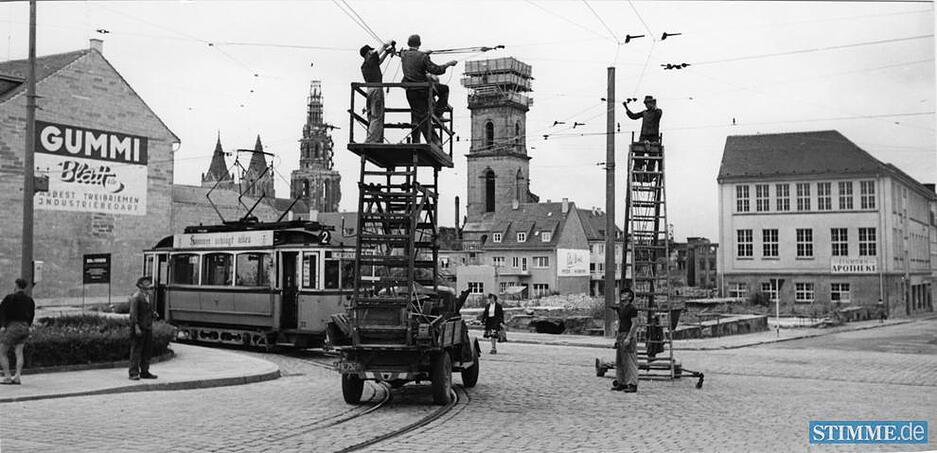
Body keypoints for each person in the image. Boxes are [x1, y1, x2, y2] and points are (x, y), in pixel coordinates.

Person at [399, 34, 457, 145]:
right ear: (419, 44)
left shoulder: (404, 55)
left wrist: (424, 54)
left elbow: (408, 55)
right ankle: (437, 116)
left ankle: (417, 140)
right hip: (422, 91)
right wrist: (448, 64)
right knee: (444, 90)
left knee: (417, 114)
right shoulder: (422, 57)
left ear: (408, 43)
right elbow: (436, 69)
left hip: (410, 91)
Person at [0, 278, 35, 385]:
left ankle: (7, 376)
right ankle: (18, 376)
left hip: (13, 326)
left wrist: (2, 325)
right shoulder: (30, 300)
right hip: (25, 327)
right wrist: (28, 325)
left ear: (16, 286)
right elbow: (32, 315)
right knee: (19, 352)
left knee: (2, 352)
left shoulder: (10, 298)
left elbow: (2, 312)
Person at [360, 40, 396, 143]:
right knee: (377, 115)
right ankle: (371, 140)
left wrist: (387, 53)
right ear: (368, 53)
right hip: (376, 90)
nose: (372, 52)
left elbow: (379, 62)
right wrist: (390, 42)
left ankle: (373, 138)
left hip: (369, 91)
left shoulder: (365, 65)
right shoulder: (371, 59)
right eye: (371, 51)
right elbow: (383, 46)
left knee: (371, 116)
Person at [128, 276, 158, 380]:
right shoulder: (136, 297)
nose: (149, 286)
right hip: (139, 327)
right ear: (140, 286)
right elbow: (133, 314)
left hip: (148, 326)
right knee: (136, 350)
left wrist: (153, 314)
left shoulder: (150, 296)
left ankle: (145, 371)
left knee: (147, 350)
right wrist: (136, 327)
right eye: (146, 284)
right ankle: (133, 372)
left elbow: (148, 310)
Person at [611, 288, 639, 393]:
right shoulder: (622, 309)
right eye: (622, 293)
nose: (622, 295)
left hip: (628, 335)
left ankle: (632, 383)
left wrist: (629, 337)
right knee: (620, 360)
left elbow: (635, 324)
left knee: (630, 360)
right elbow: (620, 325)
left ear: (630, 297)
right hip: (621, 335)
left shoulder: (632, 309)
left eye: (625, 294)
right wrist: (617, 339)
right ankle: (621, 382)